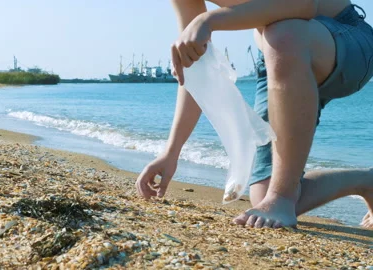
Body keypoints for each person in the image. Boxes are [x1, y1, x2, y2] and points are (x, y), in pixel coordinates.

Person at [135, 0, 373, 228]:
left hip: (345, 38)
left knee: (284, 34)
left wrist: (208, 19)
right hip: (278, 56)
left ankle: (282, 196)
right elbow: (197, 69)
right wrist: (171, 152)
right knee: (262, 195)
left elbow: (302, 4)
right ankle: (365, 181)